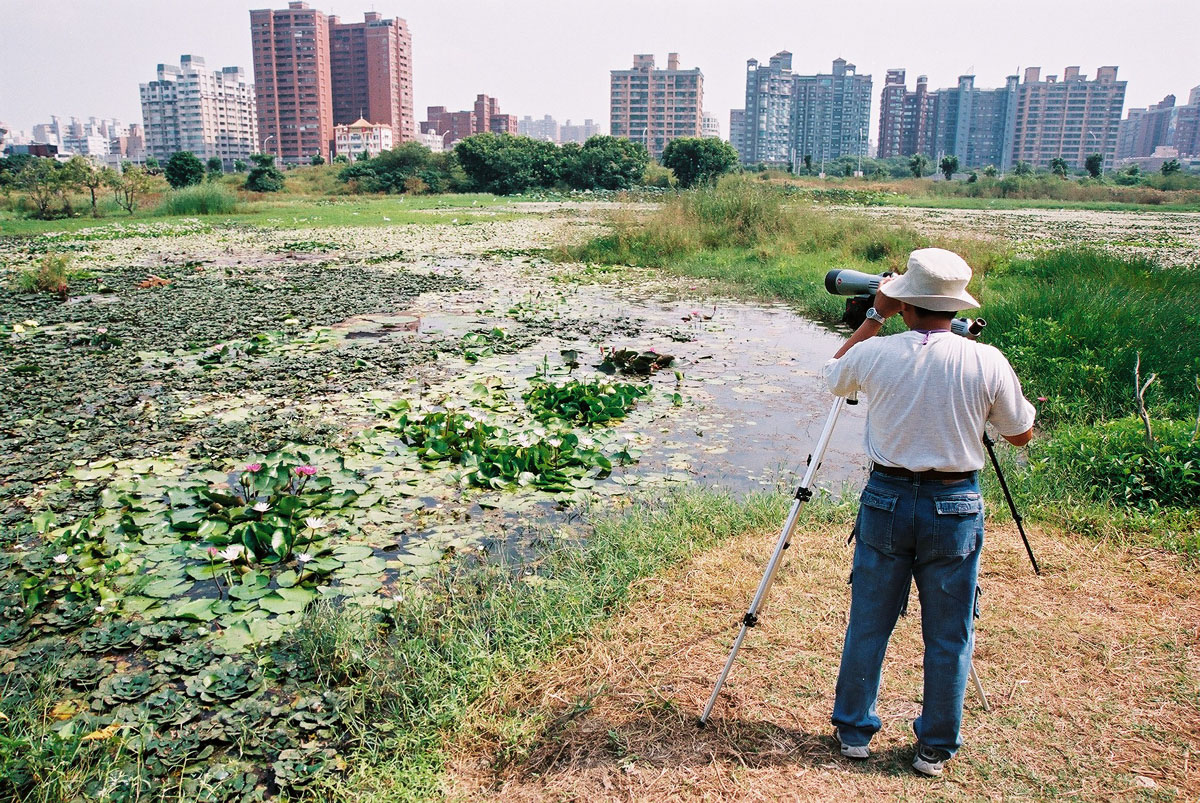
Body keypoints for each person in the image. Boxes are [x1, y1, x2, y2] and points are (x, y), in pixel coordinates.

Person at [822, 247, 1035, 777]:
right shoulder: (987, 360)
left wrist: (874, 315)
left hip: (887, 499)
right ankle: (935, 746)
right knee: (949, 632)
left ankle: (853, 731)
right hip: (955, 504)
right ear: (954, 306)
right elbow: (1020, 433)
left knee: (868, 622)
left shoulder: (880, 352)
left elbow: (833, 376)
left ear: (906, 304)